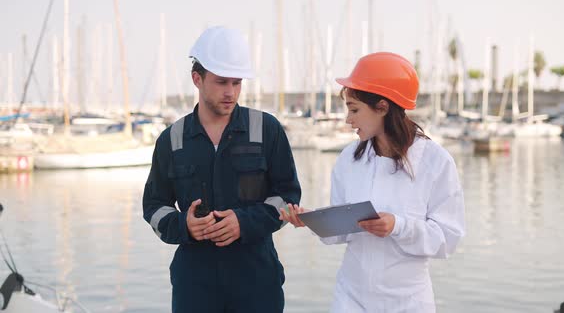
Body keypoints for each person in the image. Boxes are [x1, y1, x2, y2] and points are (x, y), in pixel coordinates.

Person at [280, 52, 465, 312]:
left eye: (354, 109)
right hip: (350, 298)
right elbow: (342, 232)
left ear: (382, 107)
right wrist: (314, 221)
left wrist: (398, 226)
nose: (348, 119)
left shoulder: (436, 162)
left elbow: (448, 239)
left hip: (407, 302)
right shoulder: (348, 159)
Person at [143, 26, 301, 313]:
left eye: (237, 83)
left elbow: (287, 196)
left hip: (257, 281)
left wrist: (245, 222)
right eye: (221, 82)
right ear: (197, 79)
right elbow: (154, 206)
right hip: (195, 285)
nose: (230, 93)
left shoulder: (267, 130)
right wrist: (184, 226)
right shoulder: (172, 139)